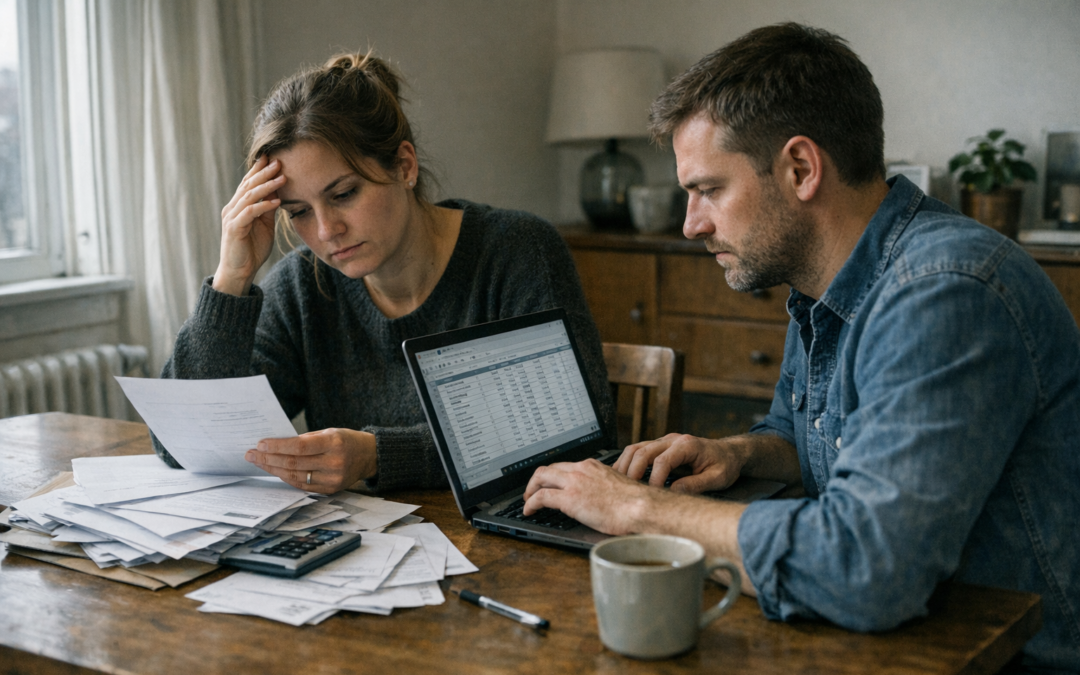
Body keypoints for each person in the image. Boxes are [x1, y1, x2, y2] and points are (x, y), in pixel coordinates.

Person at [522, 23, 1080, 673]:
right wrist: (738, 452)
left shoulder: (944, 294)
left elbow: (865, 569)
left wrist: (636, 509)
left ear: (801, 169)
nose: (691, 224)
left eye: (708, 189)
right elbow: (807, 433)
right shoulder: (827, 280)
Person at [152, 51, 615, 495]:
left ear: (405, 166)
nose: (326, 231)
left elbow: (576, 433)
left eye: (344, 194)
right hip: (358, 543)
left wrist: (378, 456)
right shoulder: (302, 286)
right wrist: (231, 280)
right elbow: (180, 445)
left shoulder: (516, 251)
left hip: (498, 538)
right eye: (299, 212)